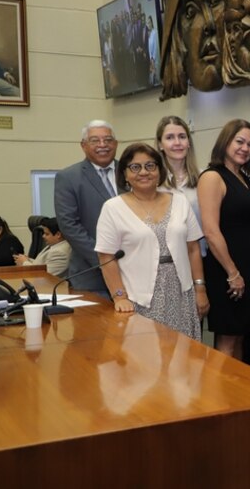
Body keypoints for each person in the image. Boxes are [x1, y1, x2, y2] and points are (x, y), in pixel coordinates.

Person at [95, 143, 209, 340]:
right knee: (145, 360)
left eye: (150, 166)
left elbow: (193, 249)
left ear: (159, 170)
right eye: (135, 167)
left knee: (184, 358)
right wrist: (119, 296)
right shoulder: (112, 208)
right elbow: (106, 257)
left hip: (181, 293)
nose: (143, 172)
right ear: (125, 173)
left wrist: (200, 288)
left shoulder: (180, 201)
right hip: (139, 297)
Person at [198, 119, 250, 358]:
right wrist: (232, 272)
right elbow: (211, 231)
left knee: (240, 337)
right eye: (240, 141)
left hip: (247, 266)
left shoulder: (245, 177)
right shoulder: (213, 177)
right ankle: (221, 395)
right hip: (226, 270)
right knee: (226, 340)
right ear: (225, 141)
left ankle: (238, 392)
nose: (245, 148)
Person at [54, 120, 119, 295]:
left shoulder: (132, 172)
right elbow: (69, 226)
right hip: (92, 276)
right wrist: (105, 260)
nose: (102, 145)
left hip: (137, 273)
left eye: (108, 139)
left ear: (116, 143)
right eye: (95, 140)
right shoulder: (68, 177)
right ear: (83, 145)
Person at [155, 116, 203, 231]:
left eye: (182, 137)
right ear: (160, 144)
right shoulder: (152, 181)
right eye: (170, 137)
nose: (177, 143)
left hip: (201, 248)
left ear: (189, 142)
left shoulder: (204, 177)